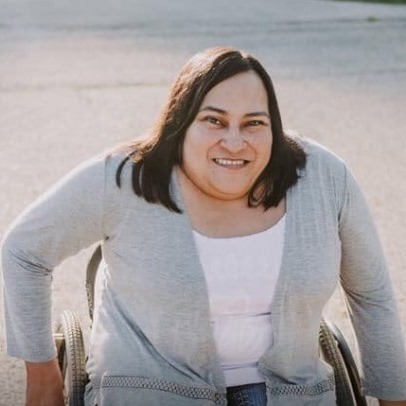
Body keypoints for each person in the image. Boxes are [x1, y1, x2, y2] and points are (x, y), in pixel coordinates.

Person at [1, 46, 406, 406]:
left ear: (274, 127)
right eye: (214, 120)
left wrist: (395, 399)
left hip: (292, 393)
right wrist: (43, 379)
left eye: (254, 123)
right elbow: (24, 251)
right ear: (181, 123)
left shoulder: (324, 177)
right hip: (150, 392)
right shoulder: (124, 178)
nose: (234, 141)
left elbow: (371, 296)